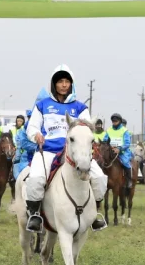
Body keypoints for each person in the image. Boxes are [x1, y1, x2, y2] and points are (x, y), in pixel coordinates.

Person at [22, 65, 108, 233]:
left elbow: (87, 129)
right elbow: (31, 127)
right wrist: (37, 135)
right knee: (36, 179)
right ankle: (35, 216)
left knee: (99, 178)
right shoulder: (42, 105)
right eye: (60, 81)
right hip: (48, 151)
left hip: (74, 153)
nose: (63, 84)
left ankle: (94, 215)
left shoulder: (80, 107)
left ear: (71, 84)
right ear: (54, 84)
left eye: (67, 81)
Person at [104, 113, 134, 193]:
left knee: (125, 162)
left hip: (122, 152)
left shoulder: (125, 131)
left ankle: (129, 181)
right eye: (113, 121)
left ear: (120, 121)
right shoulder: (109, 130)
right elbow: (105, 140)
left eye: (116, 121)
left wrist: (119, 149)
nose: (114, 122)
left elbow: (127, 143)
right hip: (111, 151)